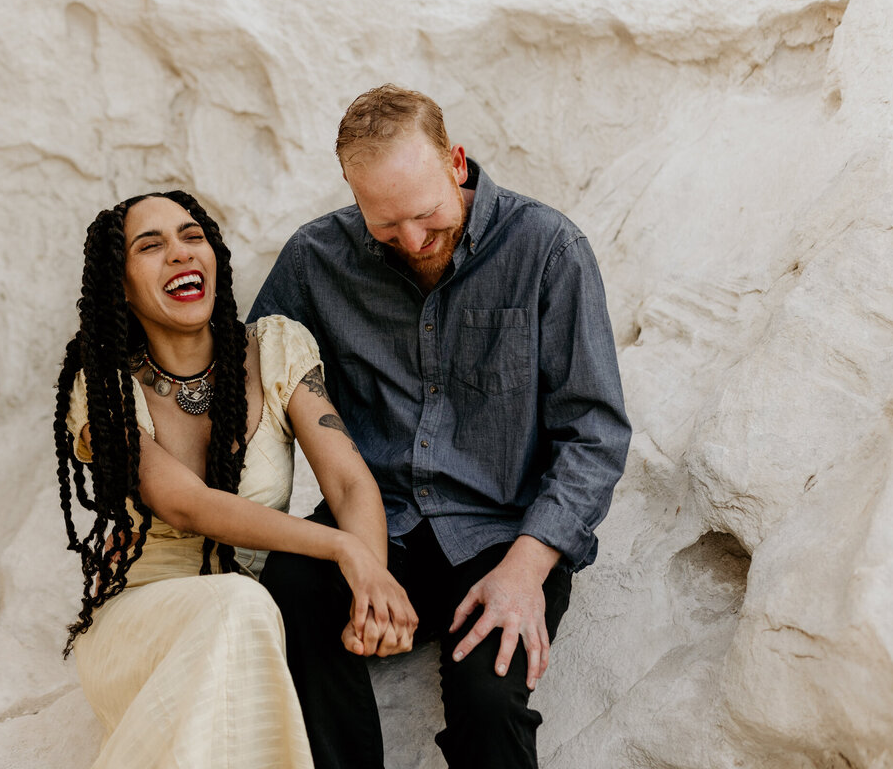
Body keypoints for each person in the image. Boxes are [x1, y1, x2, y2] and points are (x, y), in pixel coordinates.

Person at [248, 84, 632, 768]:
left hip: (503, 534)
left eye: (426, 216)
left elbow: (593, 435)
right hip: (377, 529)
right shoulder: (314, 260)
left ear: (455, 162)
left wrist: (527, 569)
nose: (414, 241)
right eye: (385, 226)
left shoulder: (548, 249)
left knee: (489, 699)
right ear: (351, 190)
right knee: (288, 599)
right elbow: (251, 386)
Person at [52, 189, 418, 769]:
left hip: (250, 608)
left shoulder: (274, 347)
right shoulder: (102, 388)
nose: (178, 253)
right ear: (120, 286)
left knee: (254, 602)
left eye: (192, 237)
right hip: (149, 620)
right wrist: (340, 546)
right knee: (240, 601)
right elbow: (187, 505)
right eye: (150, 246)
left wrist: (368, 583)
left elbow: (348, 481)